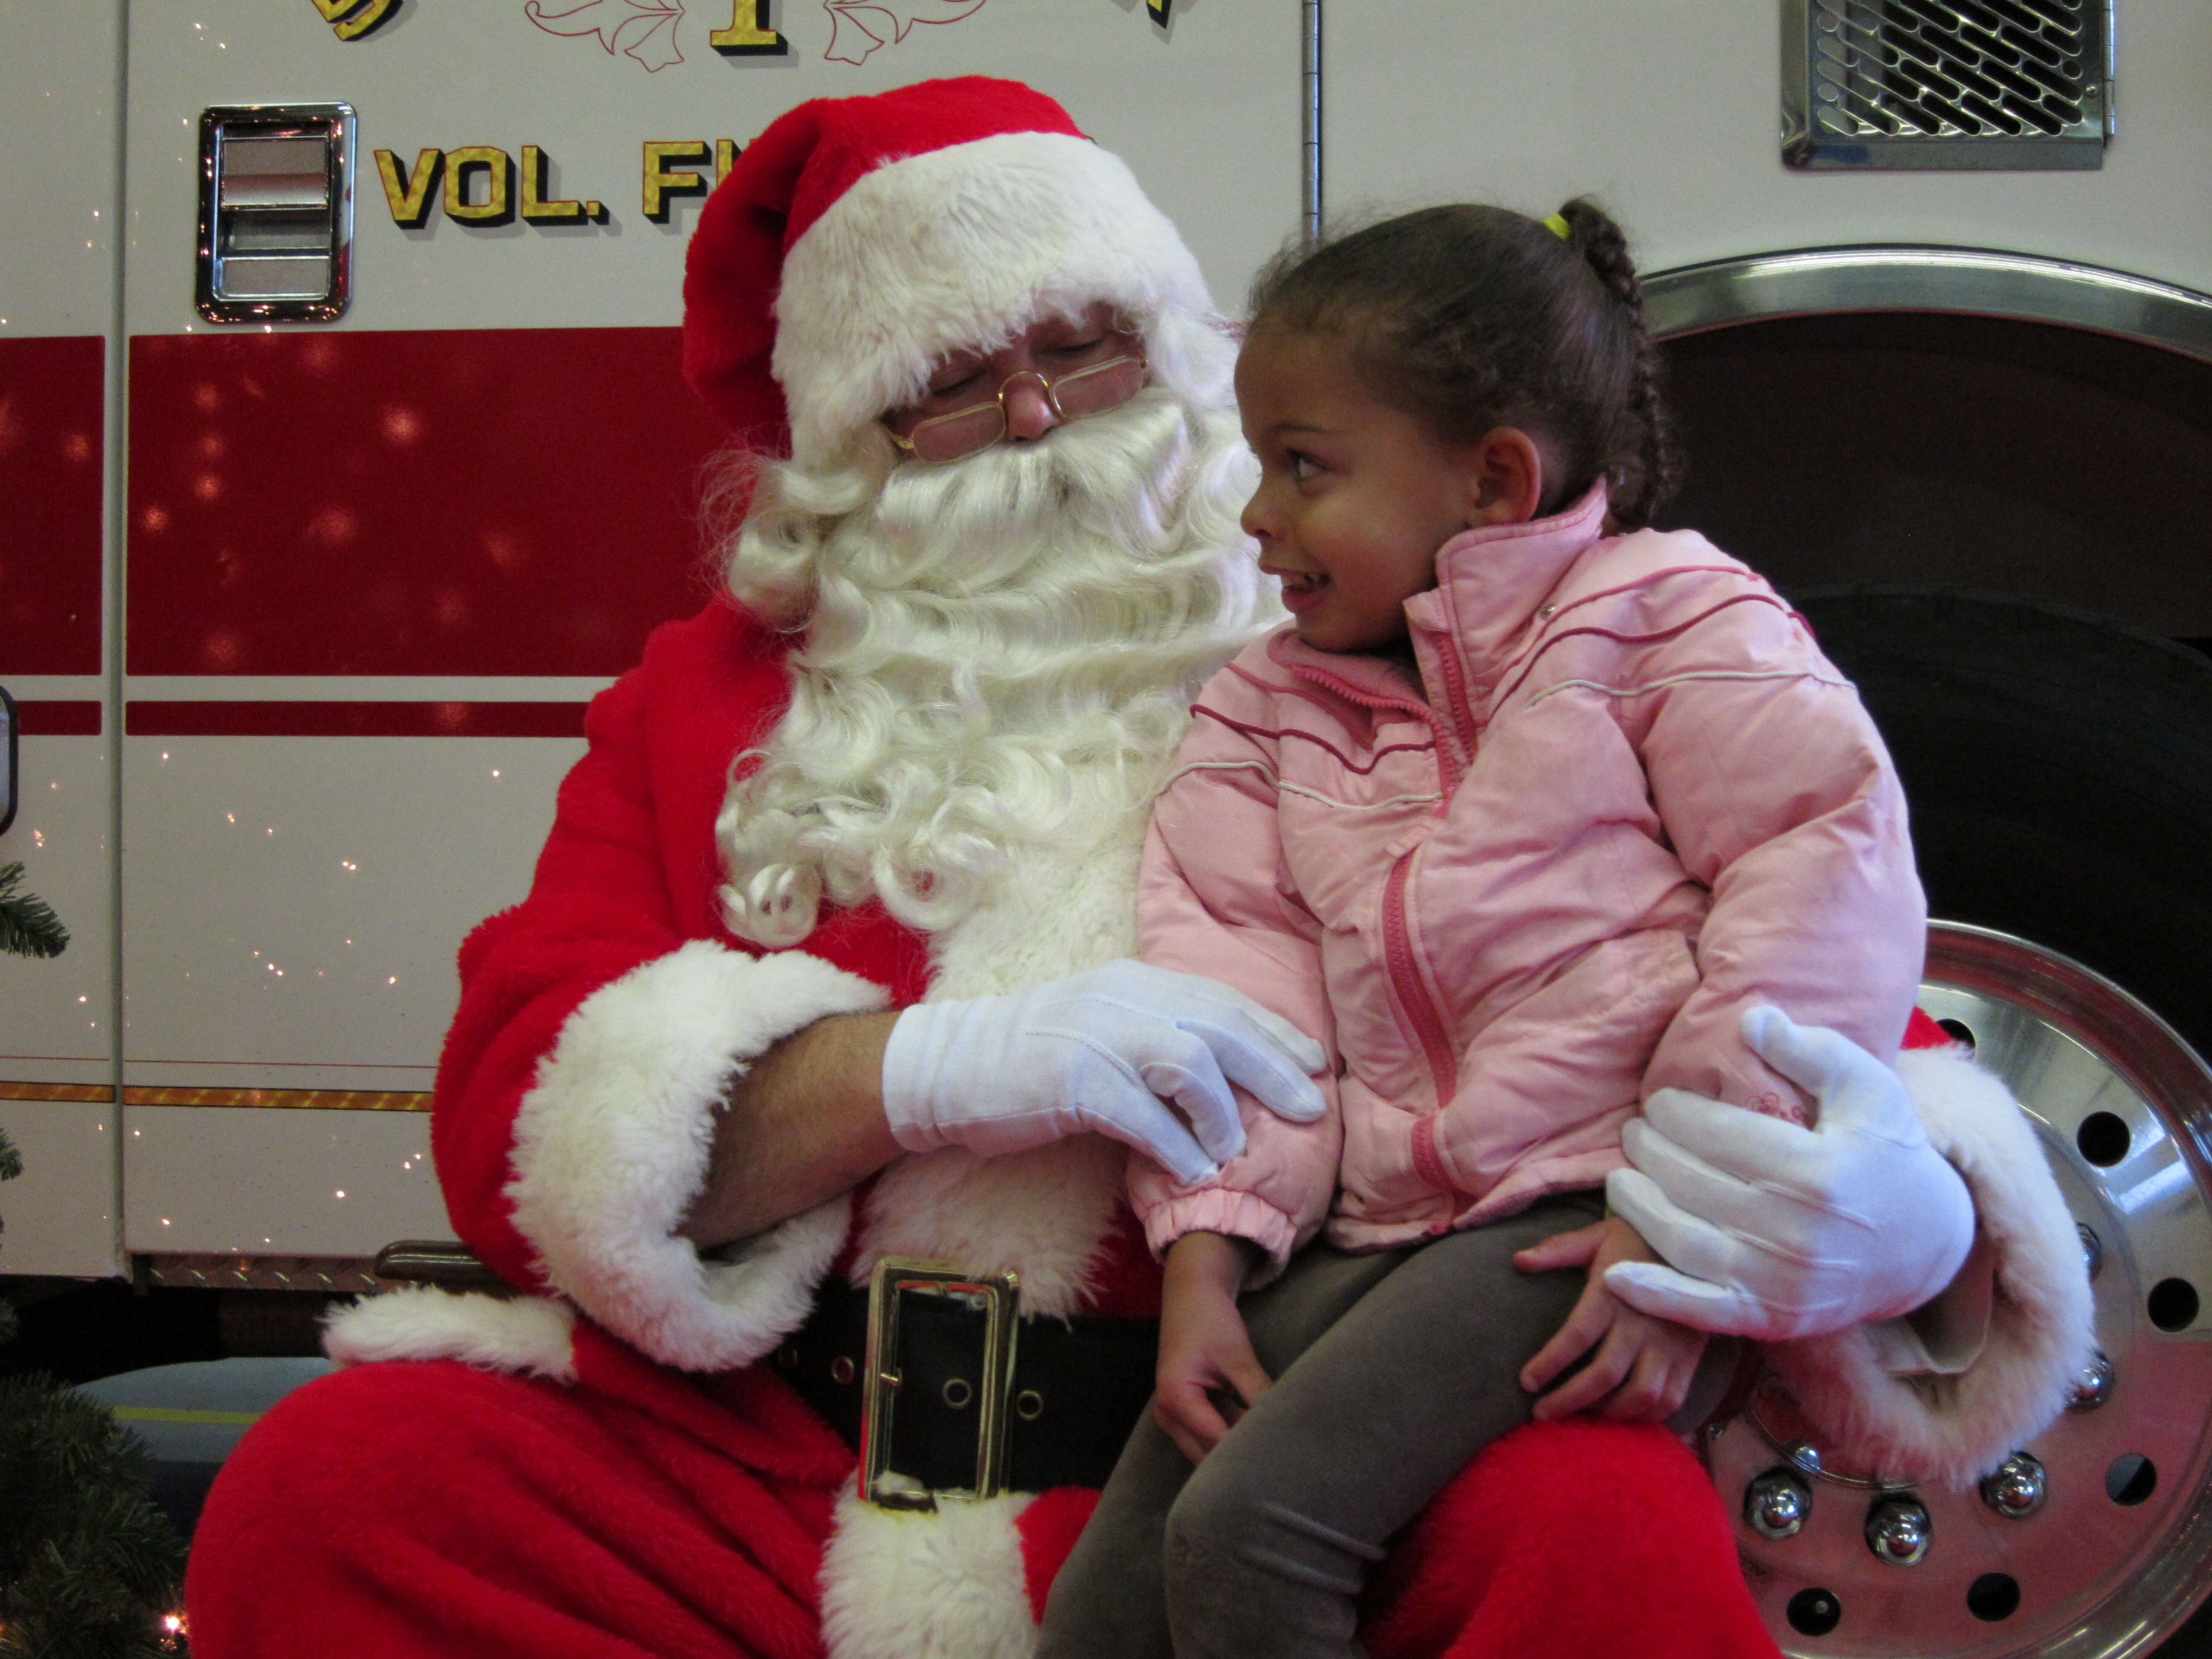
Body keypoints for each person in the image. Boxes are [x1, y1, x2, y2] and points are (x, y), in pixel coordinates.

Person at [184, 79, 2090, 1659]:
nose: (1033, 421)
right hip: (777, 1476)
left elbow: (1781, 936)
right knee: (345, 1489)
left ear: (1179, 359)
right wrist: (915, 1074)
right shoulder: (705, 705)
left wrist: (1914, 1230)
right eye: (954, 379)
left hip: (1293, 1446)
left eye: (1082, 349)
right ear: (847, 446)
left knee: (1592, 1532)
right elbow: (515, 1108)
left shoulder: (1402, 631)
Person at [1035, 200, 2093, 1659]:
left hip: (1590, 1209)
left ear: (1494, 478)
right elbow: (1235, 984)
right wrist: (1207, 1262)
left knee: (1253, 1534)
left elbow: (1814, 888)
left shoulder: (1670, 619)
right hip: (1373, 1224)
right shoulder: (1266, 707)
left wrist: (1691, 1226)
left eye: (1303, 465)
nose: (1256, 516)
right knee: (1103, 1613)